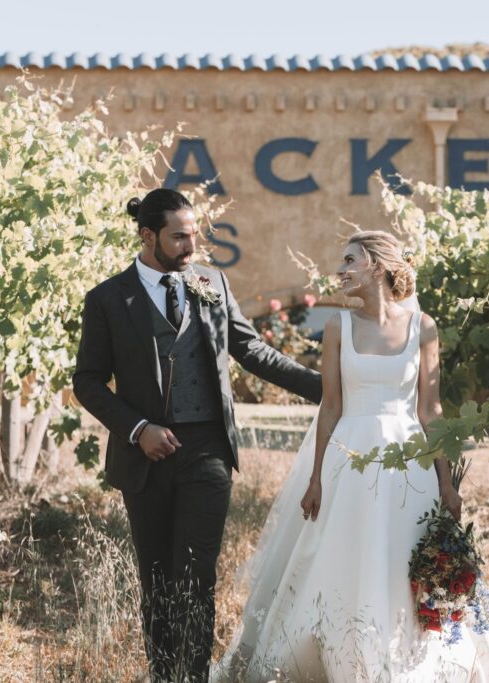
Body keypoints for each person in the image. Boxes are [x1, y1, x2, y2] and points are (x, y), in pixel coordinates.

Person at [214, 231, 489, 682]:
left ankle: (412, 661)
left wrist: (447, 482)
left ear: (378, 265)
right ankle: (342, 654)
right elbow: (330, 406)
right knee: (342, 557)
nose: (341, 270)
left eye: (350, 260)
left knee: (405, 557)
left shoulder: (423, 328)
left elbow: (431, 410)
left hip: (410, 464)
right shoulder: (338, 327)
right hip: (348, 460)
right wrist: (315, 478)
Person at [72, 188, 321, 682]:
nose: (192, 246)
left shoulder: (212, 282)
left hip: (207, 452)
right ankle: (164, 675)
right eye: (179, 236)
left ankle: (194, 675)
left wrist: (326, 388)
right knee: (158, 579)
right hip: (145, 459)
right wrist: (138, 429)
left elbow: (253, 352)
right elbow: (87, 382)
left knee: (196, 575)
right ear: (148, 236)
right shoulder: (107, 299)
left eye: (195, 234)